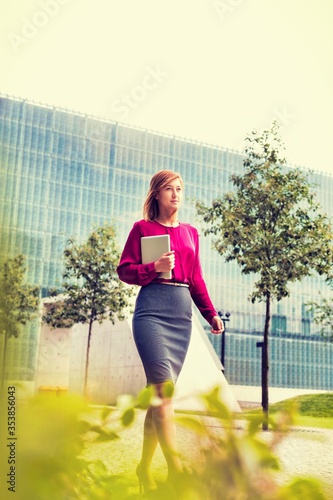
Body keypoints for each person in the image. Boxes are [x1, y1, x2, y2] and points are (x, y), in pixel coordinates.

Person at [117, 169, 223, 493]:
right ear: (157, 195)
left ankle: (143, 469)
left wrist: (211, 314)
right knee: (164, 394)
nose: (176, 194)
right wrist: (154, 268)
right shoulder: (143, 229)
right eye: (169, 189)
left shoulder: (192, 233)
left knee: (158, 397)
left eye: (179, 189)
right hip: (151, 311)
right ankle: (176, 470)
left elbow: (197, 279)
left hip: (180, 316)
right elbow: (124, 270)